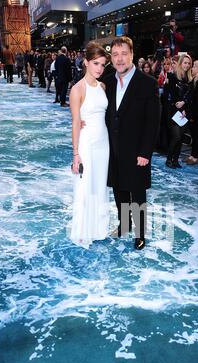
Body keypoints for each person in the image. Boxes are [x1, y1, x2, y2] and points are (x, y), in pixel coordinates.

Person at [103, 36, 160, 250]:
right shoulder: (107, 82)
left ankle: (140, 233)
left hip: (137, 151)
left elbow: (152, 122)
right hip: (113, 149)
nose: (119, 59)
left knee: (137, 194)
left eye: (124, 54)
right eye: (115, 54)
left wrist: (146, 152)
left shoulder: (148, 83)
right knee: (119, 190)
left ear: (132, 55)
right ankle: (124, 224)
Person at [68, 42, 110, 248]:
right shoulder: (78, 89)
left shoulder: (102, 86)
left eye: (102, 65)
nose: (99, 68)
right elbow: (76, 122)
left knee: (100, 185)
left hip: (104, 143)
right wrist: (76, 154)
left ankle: (99, 228)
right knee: (86, 187)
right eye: (95, 63)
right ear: (85, 62)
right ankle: (83, 231)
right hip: (86, 143)